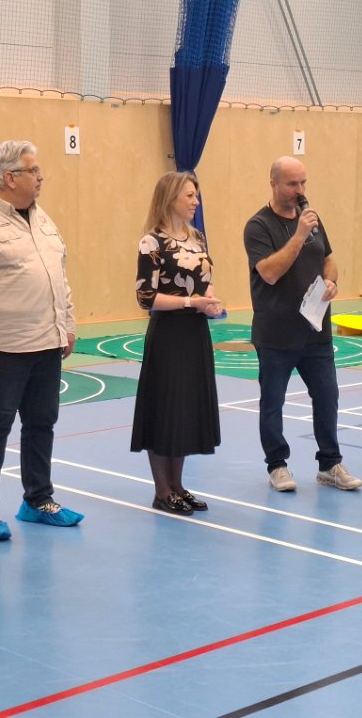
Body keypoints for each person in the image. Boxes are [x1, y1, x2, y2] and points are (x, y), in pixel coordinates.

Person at [0, 140, 83, 541]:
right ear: (10, 177)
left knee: (42, 423)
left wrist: (67, 324)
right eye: (33, 170)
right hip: (2, 347)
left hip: (46, 341)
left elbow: (59, 276)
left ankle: (38, 500)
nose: (41, 176)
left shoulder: (43, 219)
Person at [243, 156, 362, 493]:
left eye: (303, 183)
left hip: (315, 330)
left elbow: (328, 258)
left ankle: (330, 464)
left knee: (327, 397)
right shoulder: (258, 226)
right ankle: (277, 465)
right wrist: (298, 235)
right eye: (292, 184)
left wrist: (331, 280)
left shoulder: (313, 220)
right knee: (273, 403)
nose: (299, 190)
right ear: (273, 183)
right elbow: (269, 272)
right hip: (276, 332)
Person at [130, 172, 223, 515]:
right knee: (164, 408)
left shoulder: (197, 237)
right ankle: (162, 490)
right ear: (170, 198)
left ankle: (178, 486)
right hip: (168, 335)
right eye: (189, 196)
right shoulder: (152, 243)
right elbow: (146, 297)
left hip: (195, 334)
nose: (196, 201)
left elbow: (205, 282)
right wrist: (190, 302)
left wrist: (210, 302)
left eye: (196, 195)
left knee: (184, 408)